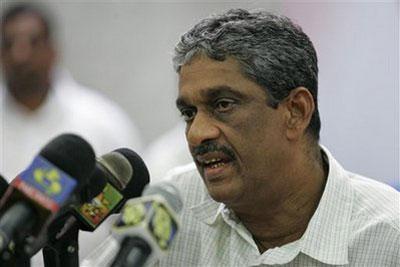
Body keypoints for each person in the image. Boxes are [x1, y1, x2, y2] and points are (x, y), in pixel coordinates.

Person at [156, 9, 399, 266]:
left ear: (296, 112)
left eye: (223, 105)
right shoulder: (167, 210)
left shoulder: (390, 238)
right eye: (189, 113)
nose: (196, 134)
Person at [0, 3, 142, 265]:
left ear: (53, 49)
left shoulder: (103, 121)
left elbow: (136, 209)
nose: (21, 55)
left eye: (32, 41)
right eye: (9, 44)